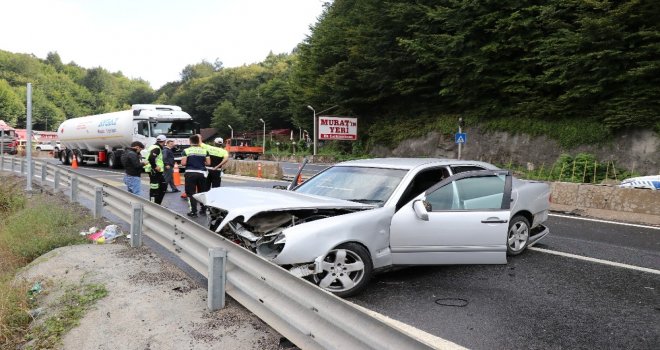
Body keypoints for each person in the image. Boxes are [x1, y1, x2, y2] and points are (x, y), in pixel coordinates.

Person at [181, 134, 210, 218]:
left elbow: (183, 163)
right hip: (202, 173)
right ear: (199, 141)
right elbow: (208, 163)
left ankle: (193, 212)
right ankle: (203, 210)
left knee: (191, 193)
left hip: (190, 173)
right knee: (202, 192)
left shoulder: (186, 151)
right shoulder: (205, 151)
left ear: (190, 141)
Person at [144, 135, 168, 204]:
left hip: (154, 171)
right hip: (154, 171)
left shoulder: (153, 146)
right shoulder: (157, 148)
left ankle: (157, 204)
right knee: (155, 188)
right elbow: (151, 158)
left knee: (162, 186)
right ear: (164, 141)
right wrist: (155, 166)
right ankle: (153, 204)